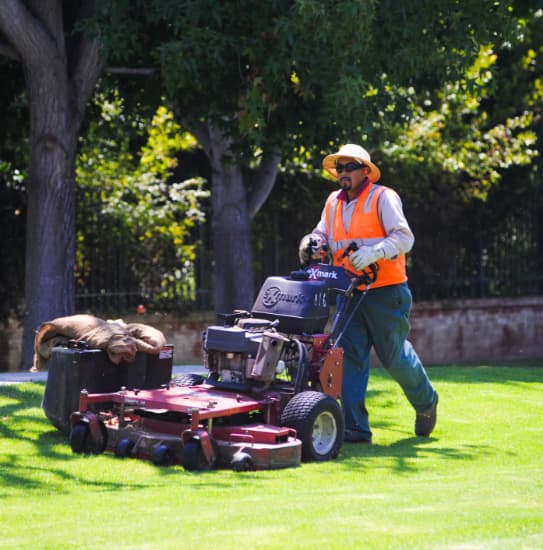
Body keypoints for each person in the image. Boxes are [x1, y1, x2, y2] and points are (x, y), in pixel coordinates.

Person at [299, 144, 438, 442]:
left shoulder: (383, 197)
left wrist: (375, 252)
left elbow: (404, 237)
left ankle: (427, 403)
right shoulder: (332, 202)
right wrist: (311, 242)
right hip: (349, 291)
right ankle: (355, 429)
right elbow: (322, 234)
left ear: (365, 171)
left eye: (350, 166)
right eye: (340, 167)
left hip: (386, 292)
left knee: (394, 357)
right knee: (347, 358)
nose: (343, 173)